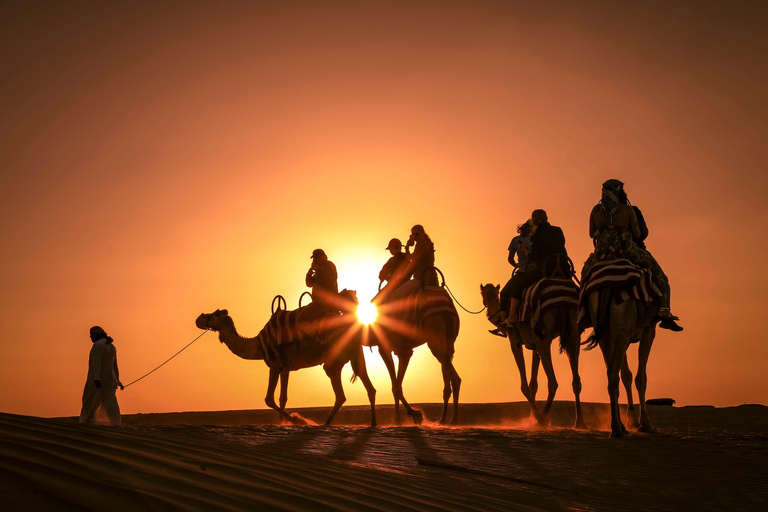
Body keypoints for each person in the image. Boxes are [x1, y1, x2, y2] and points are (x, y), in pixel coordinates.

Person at [582, 179, 682, 331]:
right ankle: (663, 308)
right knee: (658, 274)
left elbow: (591, 234)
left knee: (584, 275)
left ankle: (581, 310)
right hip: (626, 252)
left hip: (601, 255)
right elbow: (637, 234)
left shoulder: (595, 211)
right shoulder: (628, 210)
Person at [501, 209, 569, 328]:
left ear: (535, 222)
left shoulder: (537, 236)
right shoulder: (558, 230)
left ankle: (511, 319)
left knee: (517, 287)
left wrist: (526, 251)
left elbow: (536, 258)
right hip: (564, 269)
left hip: (546, 270)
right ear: (547, 218)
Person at [492, 220, 533, 336]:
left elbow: (510, 259)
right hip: (537, 271)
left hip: (523, 272)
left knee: (504, 293)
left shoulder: (515, 240)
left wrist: (517, 265)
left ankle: (505, 323)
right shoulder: (536, 238)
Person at [79, 326, 123, 426]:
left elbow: (96, 363)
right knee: (110, 402)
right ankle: (115, 423)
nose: (90, 336)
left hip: (97, 380)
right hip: (110, 380)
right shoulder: (111, 346)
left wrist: (97, 379)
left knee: (90, 399)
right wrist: (117, 379)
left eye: (92, 334)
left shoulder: (98, 346)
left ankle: (86, 422)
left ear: (98, 334)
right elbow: (115, 365)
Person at [297, 249, 339, 337]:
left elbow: (330, 277)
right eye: (315, 258)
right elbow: (309, 284)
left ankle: (313, 336)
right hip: (319, 303)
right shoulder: (319, 270)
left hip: (324, 303)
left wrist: (317, 270)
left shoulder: (328, 265)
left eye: (318, 257)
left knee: (301, 318)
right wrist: (309, 273)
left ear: (324, 257)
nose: (316, 260)